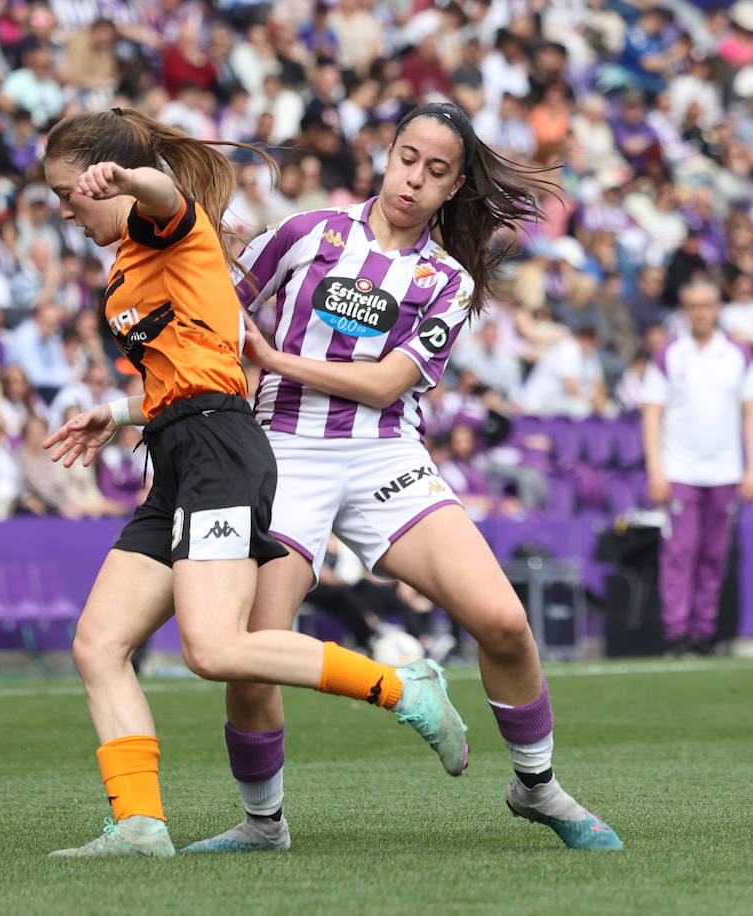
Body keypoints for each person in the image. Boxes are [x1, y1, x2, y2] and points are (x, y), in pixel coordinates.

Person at [190, 101, 622, 855]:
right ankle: (264, 824)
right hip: (283, 450)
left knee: (504, 622)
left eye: (437, 171)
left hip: (385, 454)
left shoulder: (445, 281)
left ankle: (536, 784)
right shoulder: (306, 234)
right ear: (386, 155)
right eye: (407, 159)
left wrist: (276, 360)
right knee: (255, 645)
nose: (415, 179)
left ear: (454, 188)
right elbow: (221, 315)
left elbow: (387, 385)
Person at [39, 107, 468, 859]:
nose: (63, 207)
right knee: (99, 643)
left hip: (219, 452)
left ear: (105, 180)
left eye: (68, 191)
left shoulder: (159, 224)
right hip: (178, 451)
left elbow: (169, 199)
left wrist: (132, 178)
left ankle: (406, 687)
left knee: (215, 648)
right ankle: (139, 824)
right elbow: (191, 372)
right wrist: (117, 413)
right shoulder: (125, 265)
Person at [641, 278, 753, 656]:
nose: (701, 312)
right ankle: (676, 632)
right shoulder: (669, 355)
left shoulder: (738, 354)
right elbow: (651, 414)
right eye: (693, 305)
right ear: (685, 310)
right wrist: (656, 470)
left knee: (715, 555)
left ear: (718, 308)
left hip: (726, 471)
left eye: (707, 304)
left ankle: (704, 631)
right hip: (680, 471)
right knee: (680, 554)